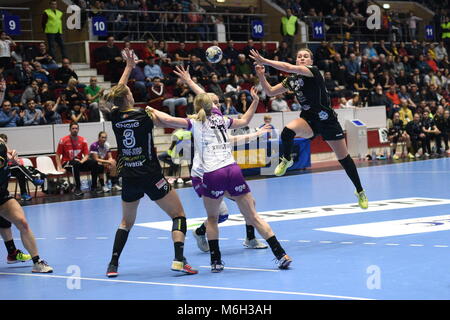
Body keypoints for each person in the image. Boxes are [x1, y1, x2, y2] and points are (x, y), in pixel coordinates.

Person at [149, 66, 292, 271]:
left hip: (213, 173)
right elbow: (244, 120)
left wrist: (151, 110)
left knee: (213, 218)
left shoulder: (194, 122)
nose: (217, 103)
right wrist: (255, 102)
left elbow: (167, 119)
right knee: (252, 214)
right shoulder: (222, 119)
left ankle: (216, 261)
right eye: (214, 102)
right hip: (231, 170)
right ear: (212, 106)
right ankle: (280, 254)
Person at [103, 48, 198, 278]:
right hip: (151, 176)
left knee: (126, 221)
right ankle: (179, 259)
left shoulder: (115, 117)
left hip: (130, 177)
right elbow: (173, 122)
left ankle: (113, 265)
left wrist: (127, 68)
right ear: (128, 97)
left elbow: (112, 97)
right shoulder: (146, 114)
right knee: (179, 216)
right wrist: (196, 121)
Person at [249, 48, 368, 209]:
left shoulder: (313, 71)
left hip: (328, 120)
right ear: (296, 59)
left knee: (344, 159)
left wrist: (265, 60)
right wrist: (261, 74)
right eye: (299, 56)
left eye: (306, 56)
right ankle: (287, 159)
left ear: (311, 61)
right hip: (309, 120)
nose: (302, 58)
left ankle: (360, 191)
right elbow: (270, 92)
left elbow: (289, 67)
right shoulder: (291, 80)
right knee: (287, 131)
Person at [0, 138, 52, 272]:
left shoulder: (2, 146)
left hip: (2, 196)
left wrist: (11, 156)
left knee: (23, 223)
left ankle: (37, 263)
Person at [55, 121, 100, 197]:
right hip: (67, 163)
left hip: (79, 162)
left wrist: (81, 162)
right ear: (70, 130)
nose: (75, 130)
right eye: (73, 128)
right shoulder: (63, 140)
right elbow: (57, 155)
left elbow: (86, 155)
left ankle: (94, 187)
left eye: (76, 128)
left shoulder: (83, 140)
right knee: (75, 164)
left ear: (78, 130)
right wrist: (60, 167)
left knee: (94, 162)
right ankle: (78, 188)